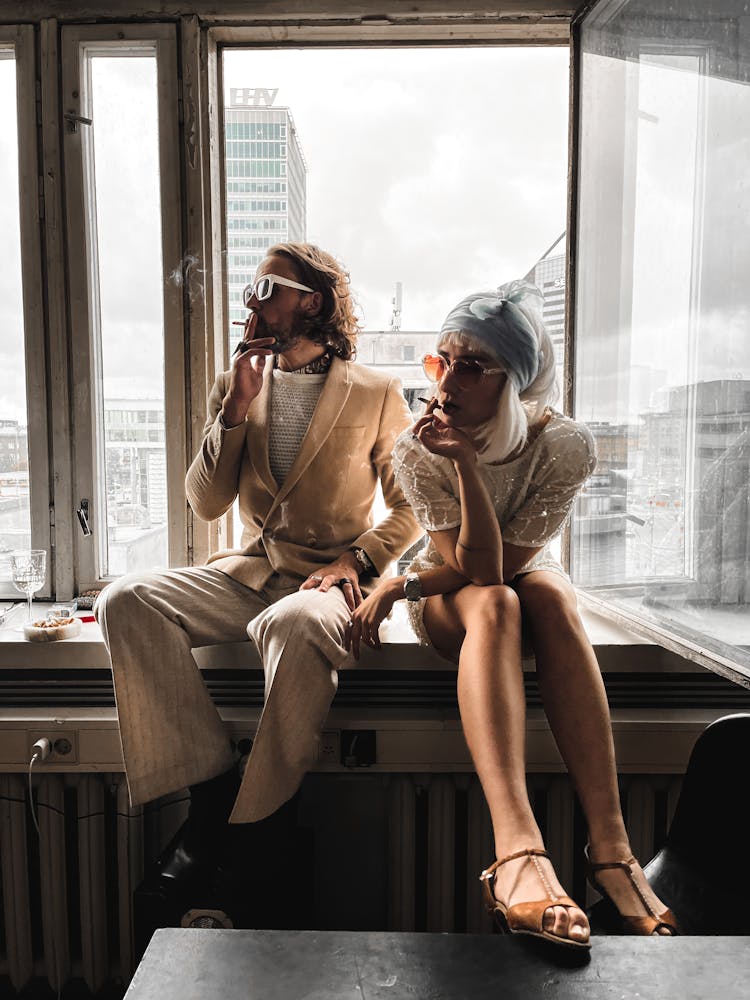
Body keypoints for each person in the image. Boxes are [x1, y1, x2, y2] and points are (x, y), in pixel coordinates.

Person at [346, 280, 678, 948]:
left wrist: (402, 578)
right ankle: (516, 851)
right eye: (442, 362)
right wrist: (413, 570)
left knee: (551, 592)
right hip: (454, 596)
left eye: (472, 365)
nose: (448, 381)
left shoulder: (565, 445)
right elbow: (477, 574)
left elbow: (517, 561)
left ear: (515, 381)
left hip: (516, 574)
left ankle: (610, 850)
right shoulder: (417, 449)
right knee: (496, 601)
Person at [95, 242, 421, 888]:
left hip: (325, 585)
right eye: (251, 289)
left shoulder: (377, 391)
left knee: (297, 625)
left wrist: (359, 559)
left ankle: (259, 825)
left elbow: (412, 507)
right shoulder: (234, 384)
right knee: (123, 599)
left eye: (268, 288)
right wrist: (235, 408)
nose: (252, 301)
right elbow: (204, 500)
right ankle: (213, 793)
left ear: (313, 302)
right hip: (246, 573)